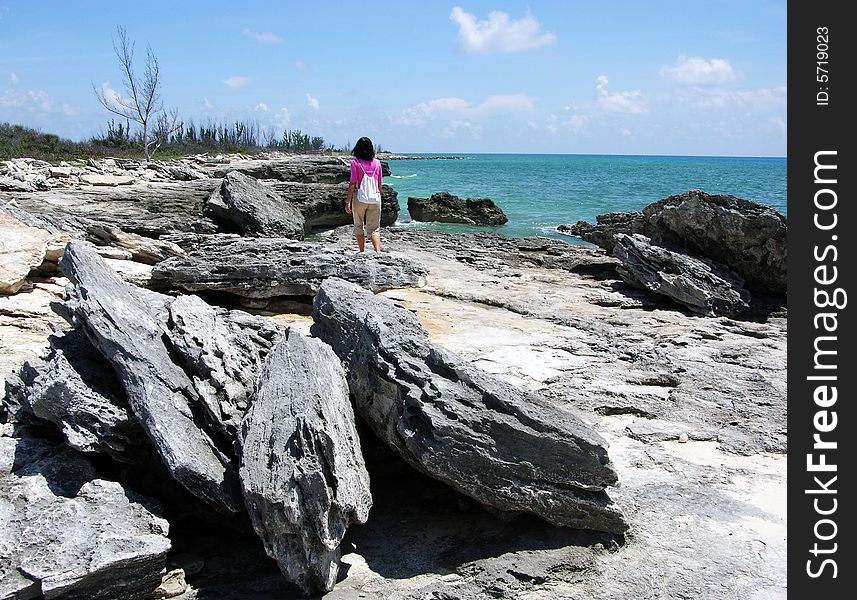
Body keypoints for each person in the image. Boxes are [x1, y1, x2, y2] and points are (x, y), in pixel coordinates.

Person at [345, 136, 383, 252]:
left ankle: (362, 252)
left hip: (359, 198)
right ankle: (378, 252)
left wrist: (348, 202)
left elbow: (353, 183)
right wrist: (380, 198)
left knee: (358, 225)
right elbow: (379, 183)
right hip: (375, 198)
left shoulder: (355, 163)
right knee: (374, 228)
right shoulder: (377, 163)